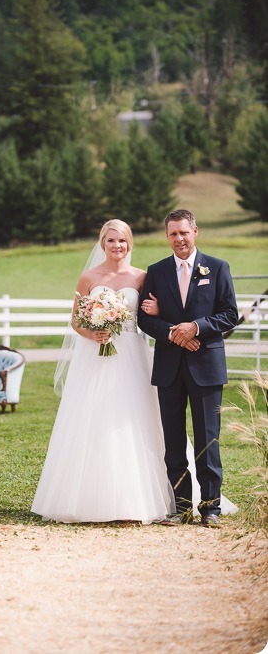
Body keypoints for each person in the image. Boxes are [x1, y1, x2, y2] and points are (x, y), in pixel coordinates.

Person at [31, 219, 176, 524]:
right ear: (102, 244)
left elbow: (151, 314)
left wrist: (157, 312)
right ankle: (87, 499)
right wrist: (93, 334)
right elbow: (75, 320)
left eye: (122, 241)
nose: (117, 246)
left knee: (131, 418)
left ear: (130, 244)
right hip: (94, 356)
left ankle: (134, 500)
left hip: (130, 355)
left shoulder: (141, 277)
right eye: (111, 241)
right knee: (90, 418)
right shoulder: (88, 277)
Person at [138, 209, 238, 527]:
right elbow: (144, 318)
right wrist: (174, 333)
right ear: (166, 236)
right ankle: (180, 508)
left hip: (206, 366)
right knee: (174, 440)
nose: (179, 239)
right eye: (173, 234)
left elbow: (229, 314)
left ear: (196, 231)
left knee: (208, 438)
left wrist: (195, 327)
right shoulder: (156, 272)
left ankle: (210, 509)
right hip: (169, 367)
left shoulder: (218, 268)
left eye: (184, 232)